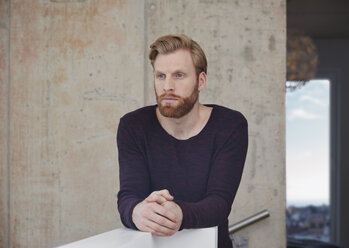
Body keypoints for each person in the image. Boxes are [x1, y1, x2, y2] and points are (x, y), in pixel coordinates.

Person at [117, 34, 248, 248]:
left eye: (178, 75)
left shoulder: (229, 125)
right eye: (160, 76)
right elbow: (129, 195)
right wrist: (137, 212)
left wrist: (179, 213)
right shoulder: (133, 126)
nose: (167, 86)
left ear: (201, 81)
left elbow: (219, 203)